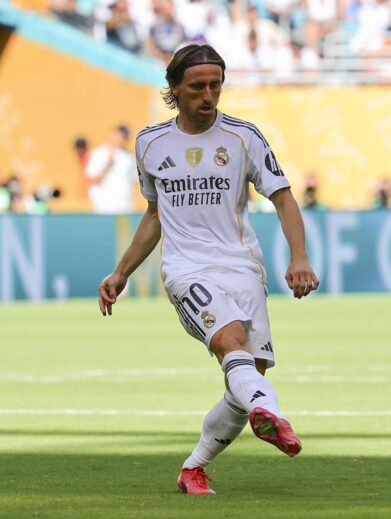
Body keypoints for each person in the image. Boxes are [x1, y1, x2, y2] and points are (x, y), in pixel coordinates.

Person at [97, 44, 319, 495]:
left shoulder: (244, 137)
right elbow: (155, 215)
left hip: (241, 267)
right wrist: (121, 272)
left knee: (248, 376)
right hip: (186, 269)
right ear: (174, 88)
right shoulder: (151, 144)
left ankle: (193, 468)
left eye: (216, 85)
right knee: (231, 343)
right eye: (197, 87)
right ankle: (274, 417)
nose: (209, 95)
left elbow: (283, 197)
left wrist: (299, 257)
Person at [85, 124, 136, 214]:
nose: (123, 140)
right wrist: (107, 164)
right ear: (115, 134)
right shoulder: (99, 153)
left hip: (125, 206)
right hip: (104, 206)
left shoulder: (129, 156)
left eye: (125, 138)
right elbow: (94, 179)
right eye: (121, 136)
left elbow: (134, 180)